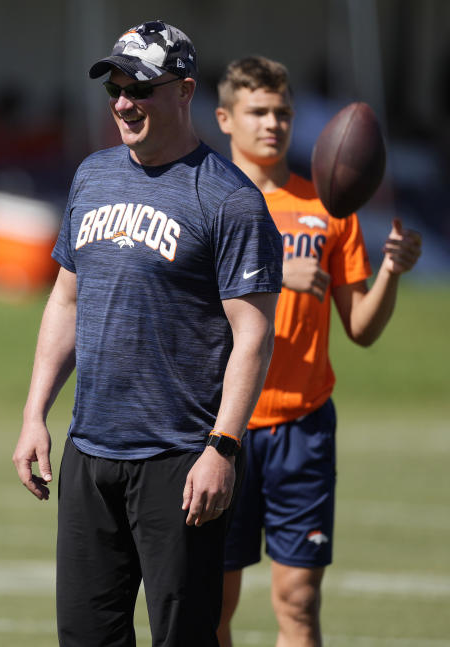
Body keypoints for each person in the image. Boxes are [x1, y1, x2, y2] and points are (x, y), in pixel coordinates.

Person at [12, 21, 284, 646]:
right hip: (91, 453)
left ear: (185, 91)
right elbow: (66, 299)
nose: (124, 103)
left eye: (141, 88)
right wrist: (35, 415)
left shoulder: (230, 200)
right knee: (85, 637)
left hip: (181, 462)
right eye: (115, 88)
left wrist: (223, 447)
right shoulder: (92, 175)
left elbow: (254, 336)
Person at [213, 56, 422, 647]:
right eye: (258, 111)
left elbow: (361, 327)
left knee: (298, 603)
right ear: (226, 118)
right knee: (212, 609)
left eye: (283, 112)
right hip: (223, 428)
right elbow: (183, 308)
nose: (272, 123)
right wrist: (276, 273)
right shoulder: (205, 203)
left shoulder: (328, 208)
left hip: (303, 428)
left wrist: (391, 270)